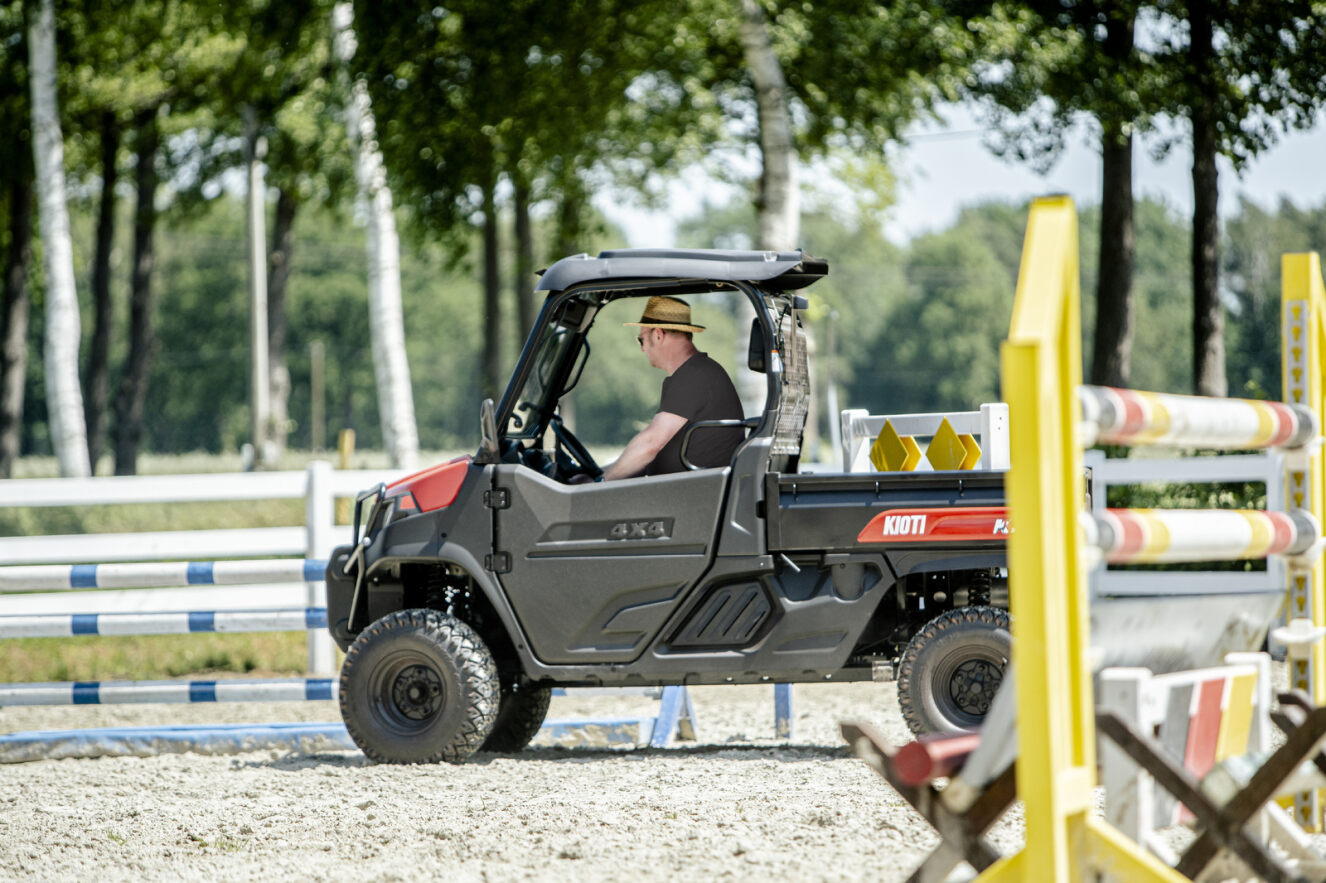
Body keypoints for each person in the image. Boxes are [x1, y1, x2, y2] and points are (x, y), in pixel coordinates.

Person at [601, 296, 745, 480]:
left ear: (658, 334)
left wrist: (601, 482)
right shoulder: (697, 372)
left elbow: (650, 444)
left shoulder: (693, 376)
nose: (642, 348)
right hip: (684, 490)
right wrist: (600, 473)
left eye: (641, 339)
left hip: (688, 496)